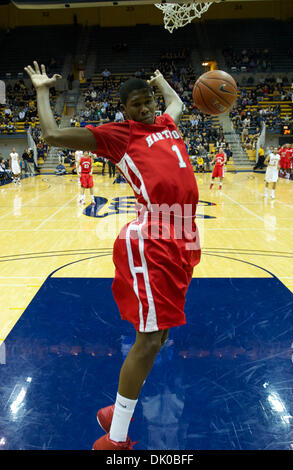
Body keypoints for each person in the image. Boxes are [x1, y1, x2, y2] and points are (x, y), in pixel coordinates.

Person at [25, 61, 201, 451]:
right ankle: (114, 440)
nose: (145, 109)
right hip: (154, 236)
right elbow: (52, 135)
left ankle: (115, 413)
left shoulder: (166, 124)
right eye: (137, 104)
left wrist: (161, 82)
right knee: (151, 338)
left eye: (148, 101)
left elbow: (178, 105)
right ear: (125, 110)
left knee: (162, 332)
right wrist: (41, 90)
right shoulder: (120, 135)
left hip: (185, 231)